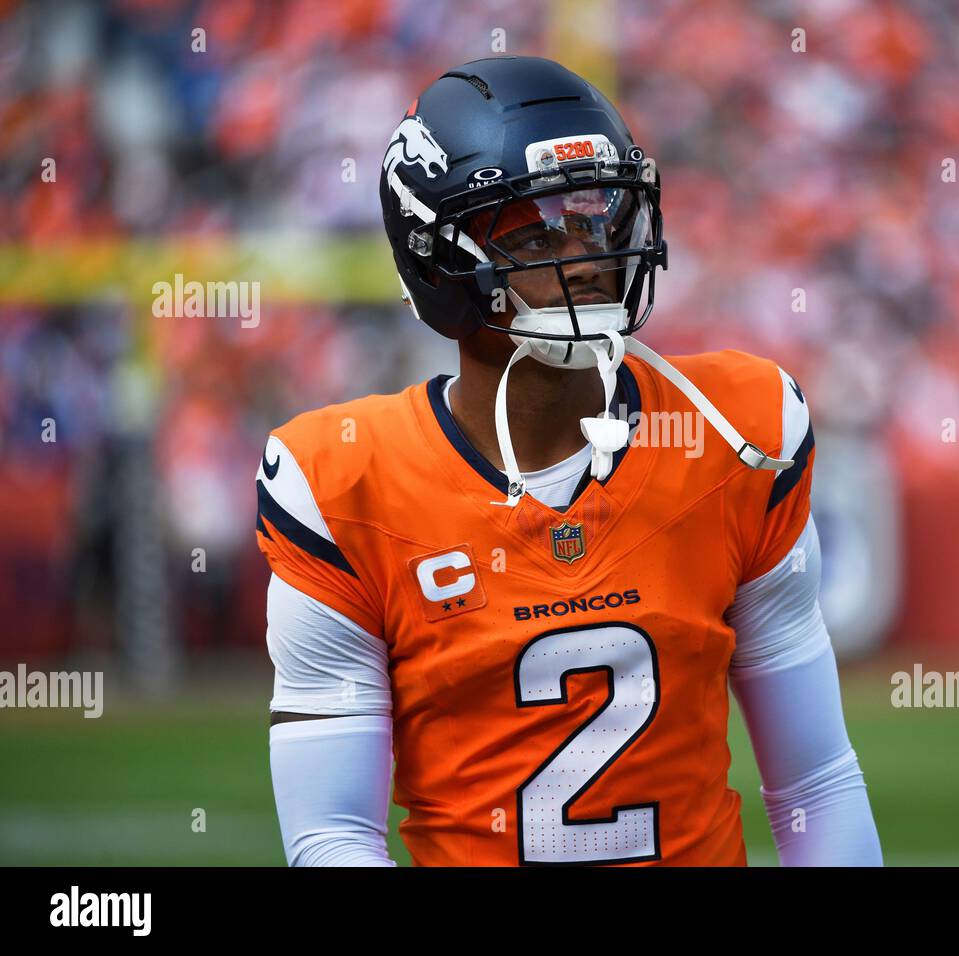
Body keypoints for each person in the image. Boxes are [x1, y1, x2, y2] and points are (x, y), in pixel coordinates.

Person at [257, 55, 881, 866]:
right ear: (437, 257)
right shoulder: (343, 484)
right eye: (537, 227)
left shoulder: (735, 435)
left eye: (598, 216)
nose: (586, 255)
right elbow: (332, 835)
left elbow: (816, 782)